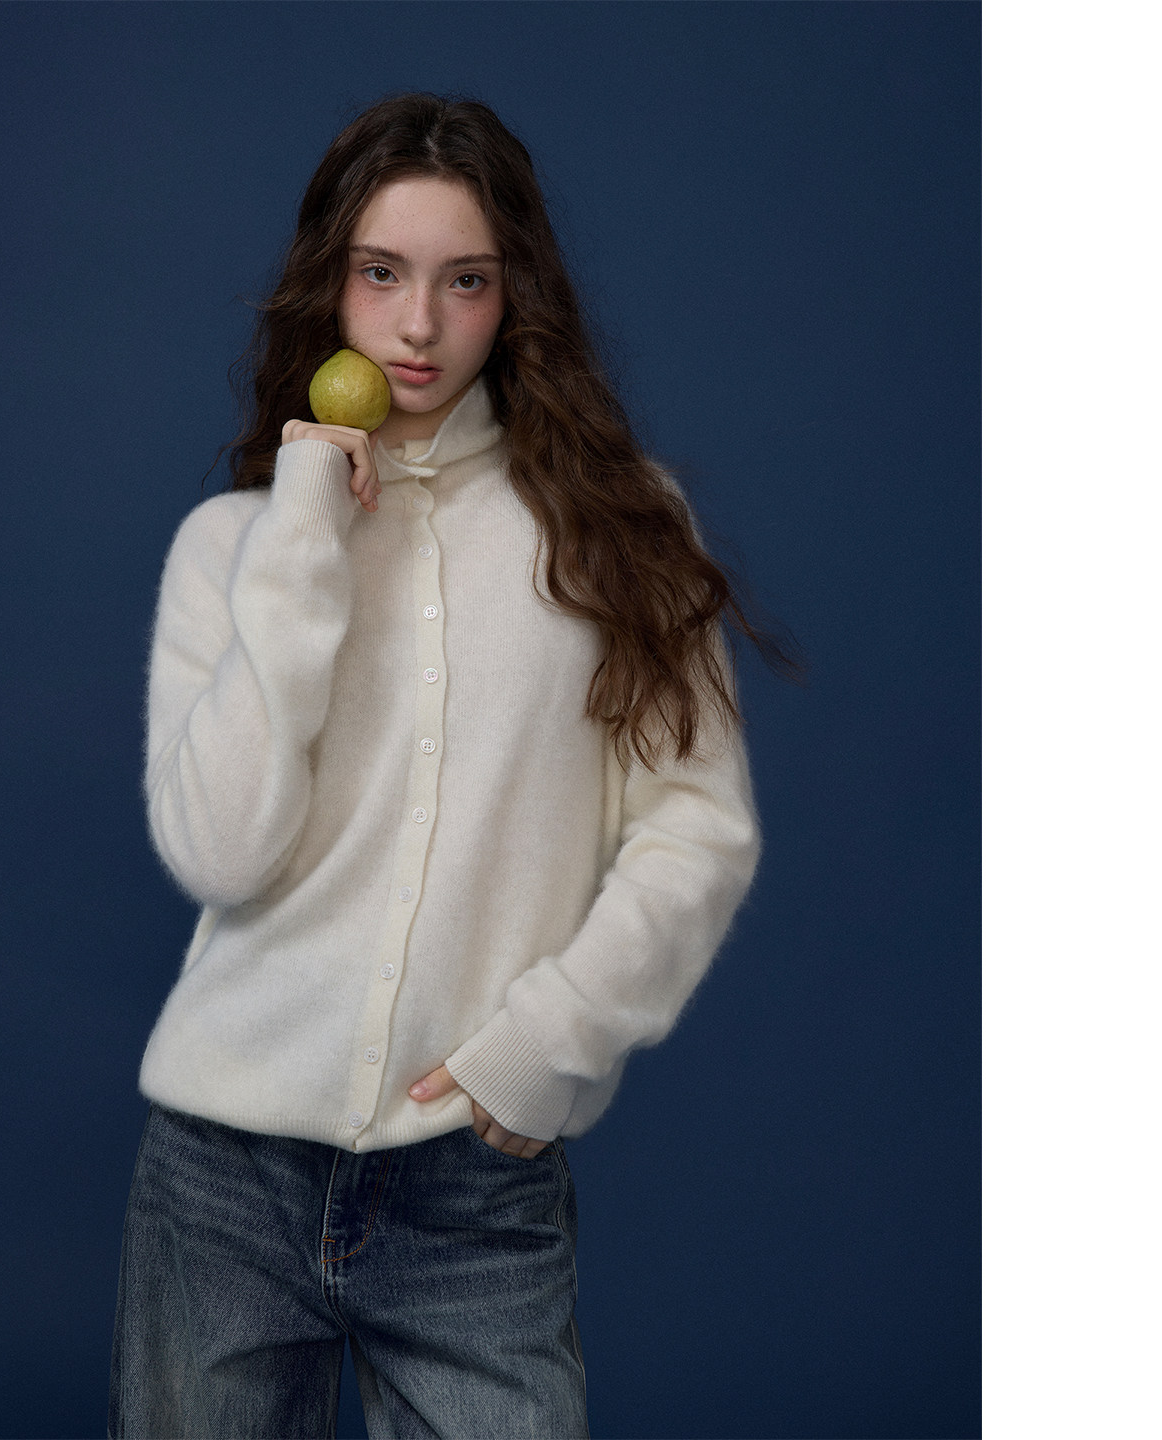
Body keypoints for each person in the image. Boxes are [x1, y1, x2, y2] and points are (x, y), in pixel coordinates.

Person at [110, 92, 786, 1439]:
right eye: (382, 274)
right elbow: (222, 852)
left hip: (472, 1188)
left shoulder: (618, 532)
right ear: (332, 286)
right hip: (219, 1182)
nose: (418, 326)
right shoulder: (232, 547)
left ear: (513, 295)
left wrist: (547, 1045)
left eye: (464, 280)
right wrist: (304, 537)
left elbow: (697, 829)